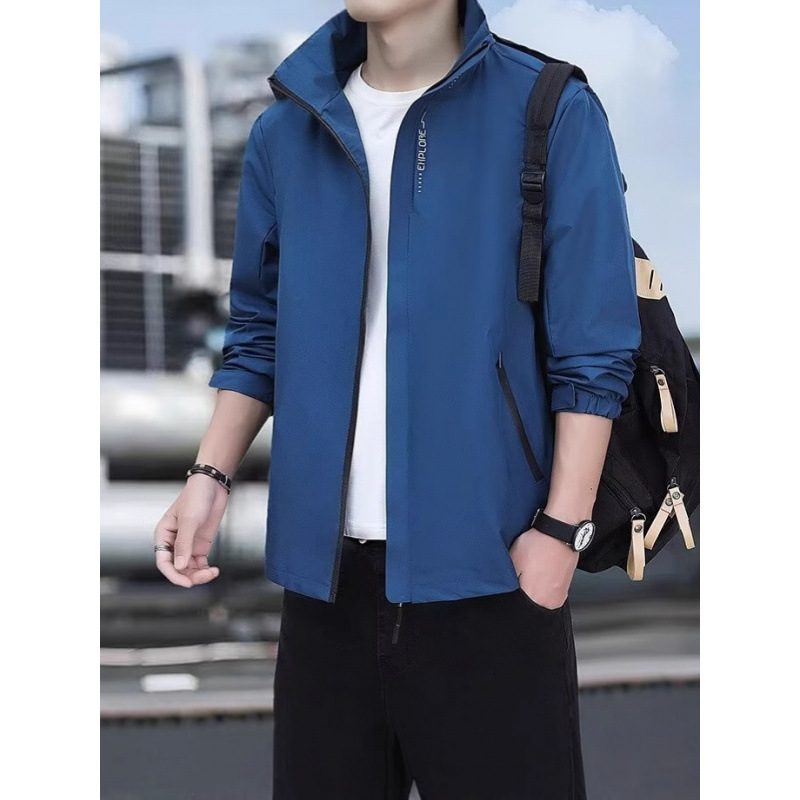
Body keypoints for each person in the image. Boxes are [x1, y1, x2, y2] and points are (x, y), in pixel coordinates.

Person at [153, 0, 640, 796]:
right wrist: (209, 477)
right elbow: (258, 332)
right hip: (325, 590)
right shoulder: (288, 129)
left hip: (492, 576)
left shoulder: (550, 110)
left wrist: (560, 532)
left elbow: (594, 347)